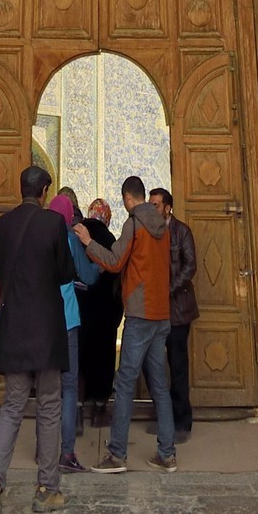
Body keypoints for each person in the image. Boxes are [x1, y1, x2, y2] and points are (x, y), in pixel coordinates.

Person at [0, 165, 75, 514]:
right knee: (49, 406)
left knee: (12, 405)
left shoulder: (1, 226)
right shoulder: (53, 224)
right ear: (45, 191)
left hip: (14, 330)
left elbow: (0, 273)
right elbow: (66, 272)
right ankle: (46, 489)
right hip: (47, 330)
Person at [75, 175, 176, 473]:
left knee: (124, 383)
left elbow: (115, 261)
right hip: (161, 313)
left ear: (126, 199)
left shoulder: (134, 224)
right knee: (159, 384)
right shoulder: (164, 227)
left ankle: (117, 454)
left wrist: (88, 242)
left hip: (140, 313)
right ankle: (166, 453)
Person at [48, 189, 98, 471]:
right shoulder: (69, 237)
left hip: (42, 321)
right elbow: (88, 275)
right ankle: (66, 453)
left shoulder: (38, 236)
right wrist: (100, 266)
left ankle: (44, 449)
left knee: (46, 387)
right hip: (66, 320)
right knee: (68, 387)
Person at [150, 188, 197, 442]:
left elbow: (190, 265)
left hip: (178, 310)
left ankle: (182, 421)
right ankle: (163, 419)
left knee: (177, 365)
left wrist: (168, 288)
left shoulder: (181, 231)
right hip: (156, 310)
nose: (153, 209)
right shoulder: (150, 231)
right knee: (155, 364)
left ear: (168, 207)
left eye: (156, 205)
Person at [76, 197, 120, 421]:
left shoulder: (77, 234)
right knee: (103, 357)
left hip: (79, 310)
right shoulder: (110, 239)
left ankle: (77, 407)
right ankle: (100, 408)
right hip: (104, 314)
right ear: (107, 217)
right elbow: (116, 279)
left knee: (79, 357)